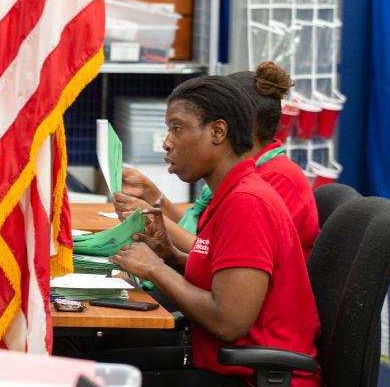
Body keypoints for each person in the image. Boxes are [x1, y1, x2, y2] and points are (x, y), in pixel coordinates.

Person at [107, 75, 321, 387]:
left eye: (177, 128)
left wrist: (155, 270)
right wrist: (170, 256)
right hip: (226, 366)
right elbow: (223, 277)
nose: (166, 143)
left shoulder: (247, 203)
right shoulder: (230, 194)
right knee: (91, 369)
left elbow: (229, 321)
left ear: (217, 132)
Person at [114, 62, 319, 259]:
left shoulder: (272, 181)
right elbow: (203, 240)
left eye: (178, 129)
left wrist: (156, 263)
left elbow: (216, 258)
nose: (167, 143)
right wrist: (154, 197)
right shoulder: (241, 175)